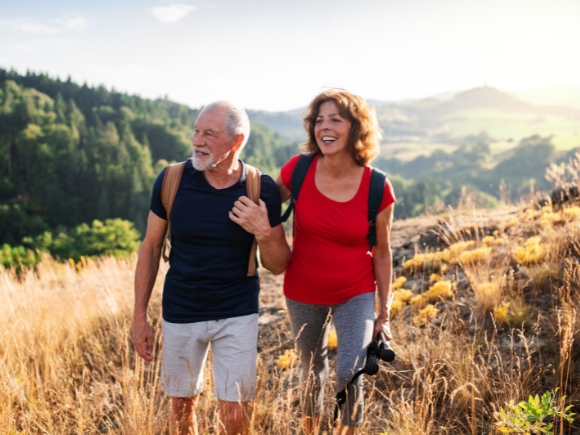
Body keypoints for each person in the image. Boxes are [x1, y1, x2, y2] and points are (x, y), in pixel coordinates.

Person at [131, 101, 291, 435]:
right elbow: (150, 246)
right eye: (196, 131)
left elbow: (278, 266)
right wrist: (139, 315)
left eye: (209, 134)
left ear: (237, 141)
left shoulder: (260, 189)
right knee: (181, 409)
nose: (197, 141)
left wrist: (263, 231)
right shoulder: (172, 179)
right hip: (180, 311)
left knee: (234, 414)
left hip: (237, 312)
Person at [276, 89, 396, 435]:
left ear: (356, 128)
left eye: (335, 119)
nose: (323, 127)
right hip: (302, 290)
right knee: (311, 371)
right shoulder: (298, 169)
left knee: (349, 371)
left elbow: (383, 252)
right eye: (319, 120)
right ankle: (310, 430)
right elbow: (263, 204)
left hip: (355, 292)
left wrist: (383, 313)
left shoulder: (377, 186)